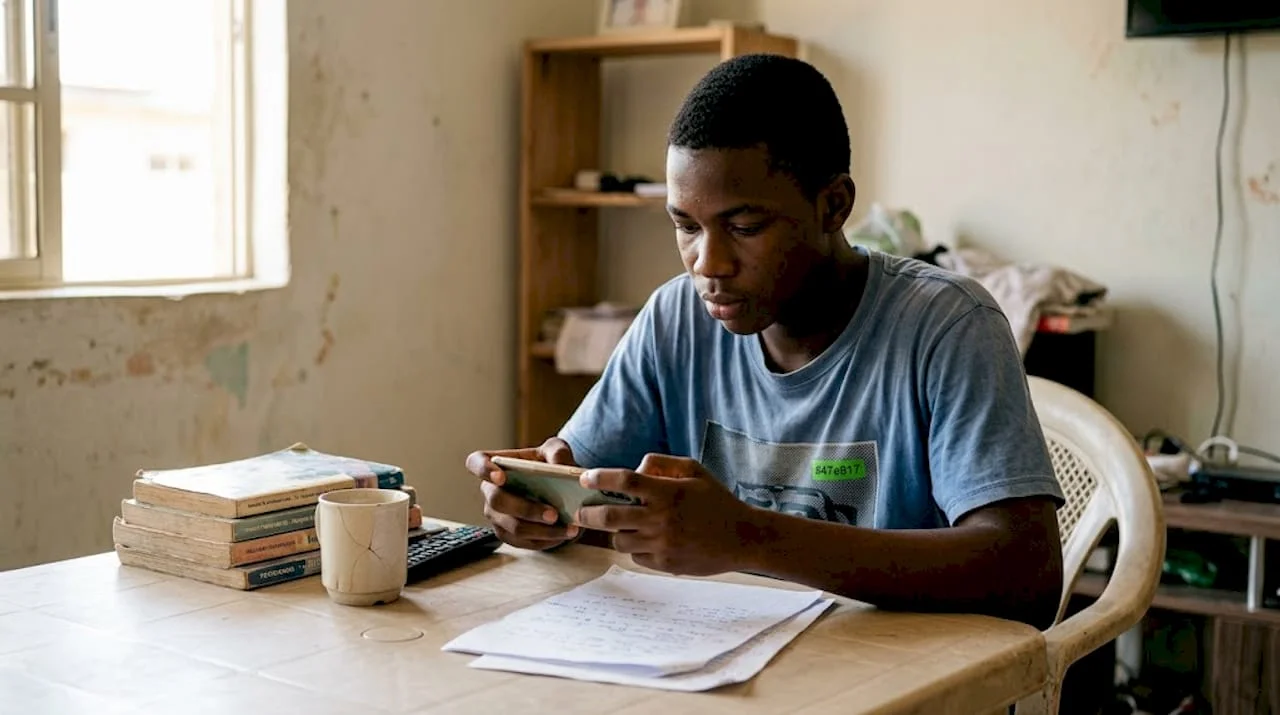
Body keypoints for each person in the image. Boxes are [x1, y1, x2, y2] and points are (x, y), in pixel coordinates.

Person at [466, 54, 1065, 629]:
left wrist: (750, 537)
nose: (709, 263)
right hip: (717, 669)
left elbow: (1026, 575)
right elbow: (585, 492)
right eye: (686, 226)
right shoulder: (676, 317)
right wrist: (539, 508)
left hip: (894, 681)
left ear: (833, 205)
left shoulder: (947, 325)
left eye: (745, 227)